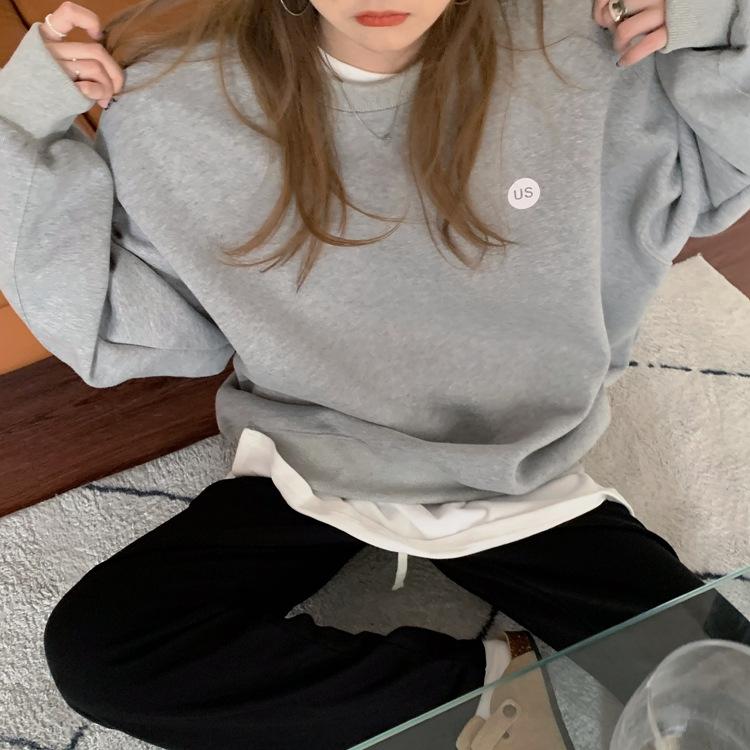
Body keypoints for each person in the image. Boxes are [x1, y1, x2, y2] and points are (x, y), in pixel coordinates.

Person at [1, 0, 748, 747]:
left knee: (736, 697)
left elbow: (720, 170)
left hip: (518, 464)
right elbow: (119, 324)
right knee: (104, 654)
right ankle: (482, 692)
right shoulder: (177, 94)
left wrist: (717, 16)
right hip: (316, 457)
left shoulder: (583, 45)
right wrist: (20, 118)